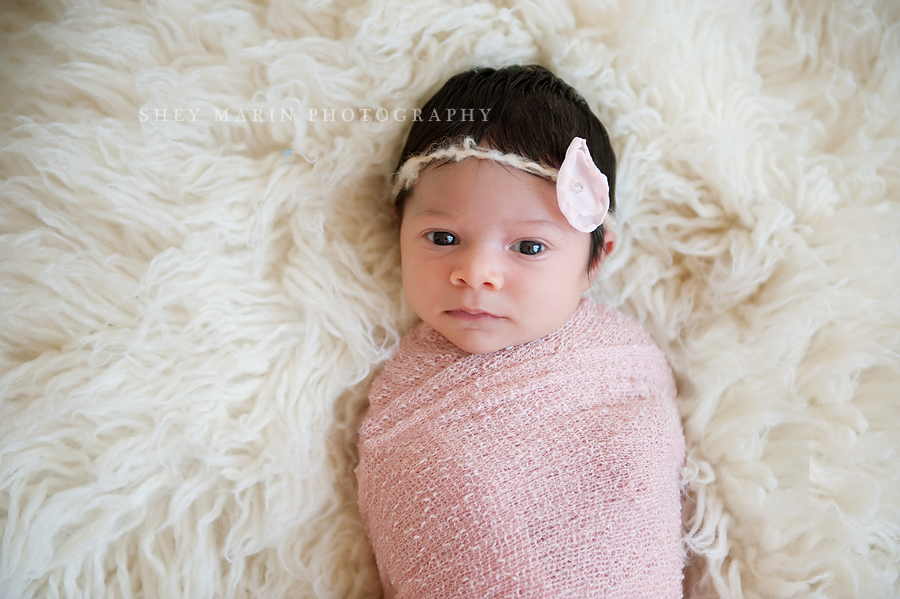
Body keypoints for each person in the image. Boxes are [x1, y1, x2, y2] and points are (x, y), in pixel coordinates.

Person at [356, 65, 685, 598]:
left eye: (529, 247)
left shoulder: (619, 361)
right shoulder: (406, 403)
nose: (476, 272)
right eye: (442, 237)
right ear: (399, 227)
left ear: (596, 259)